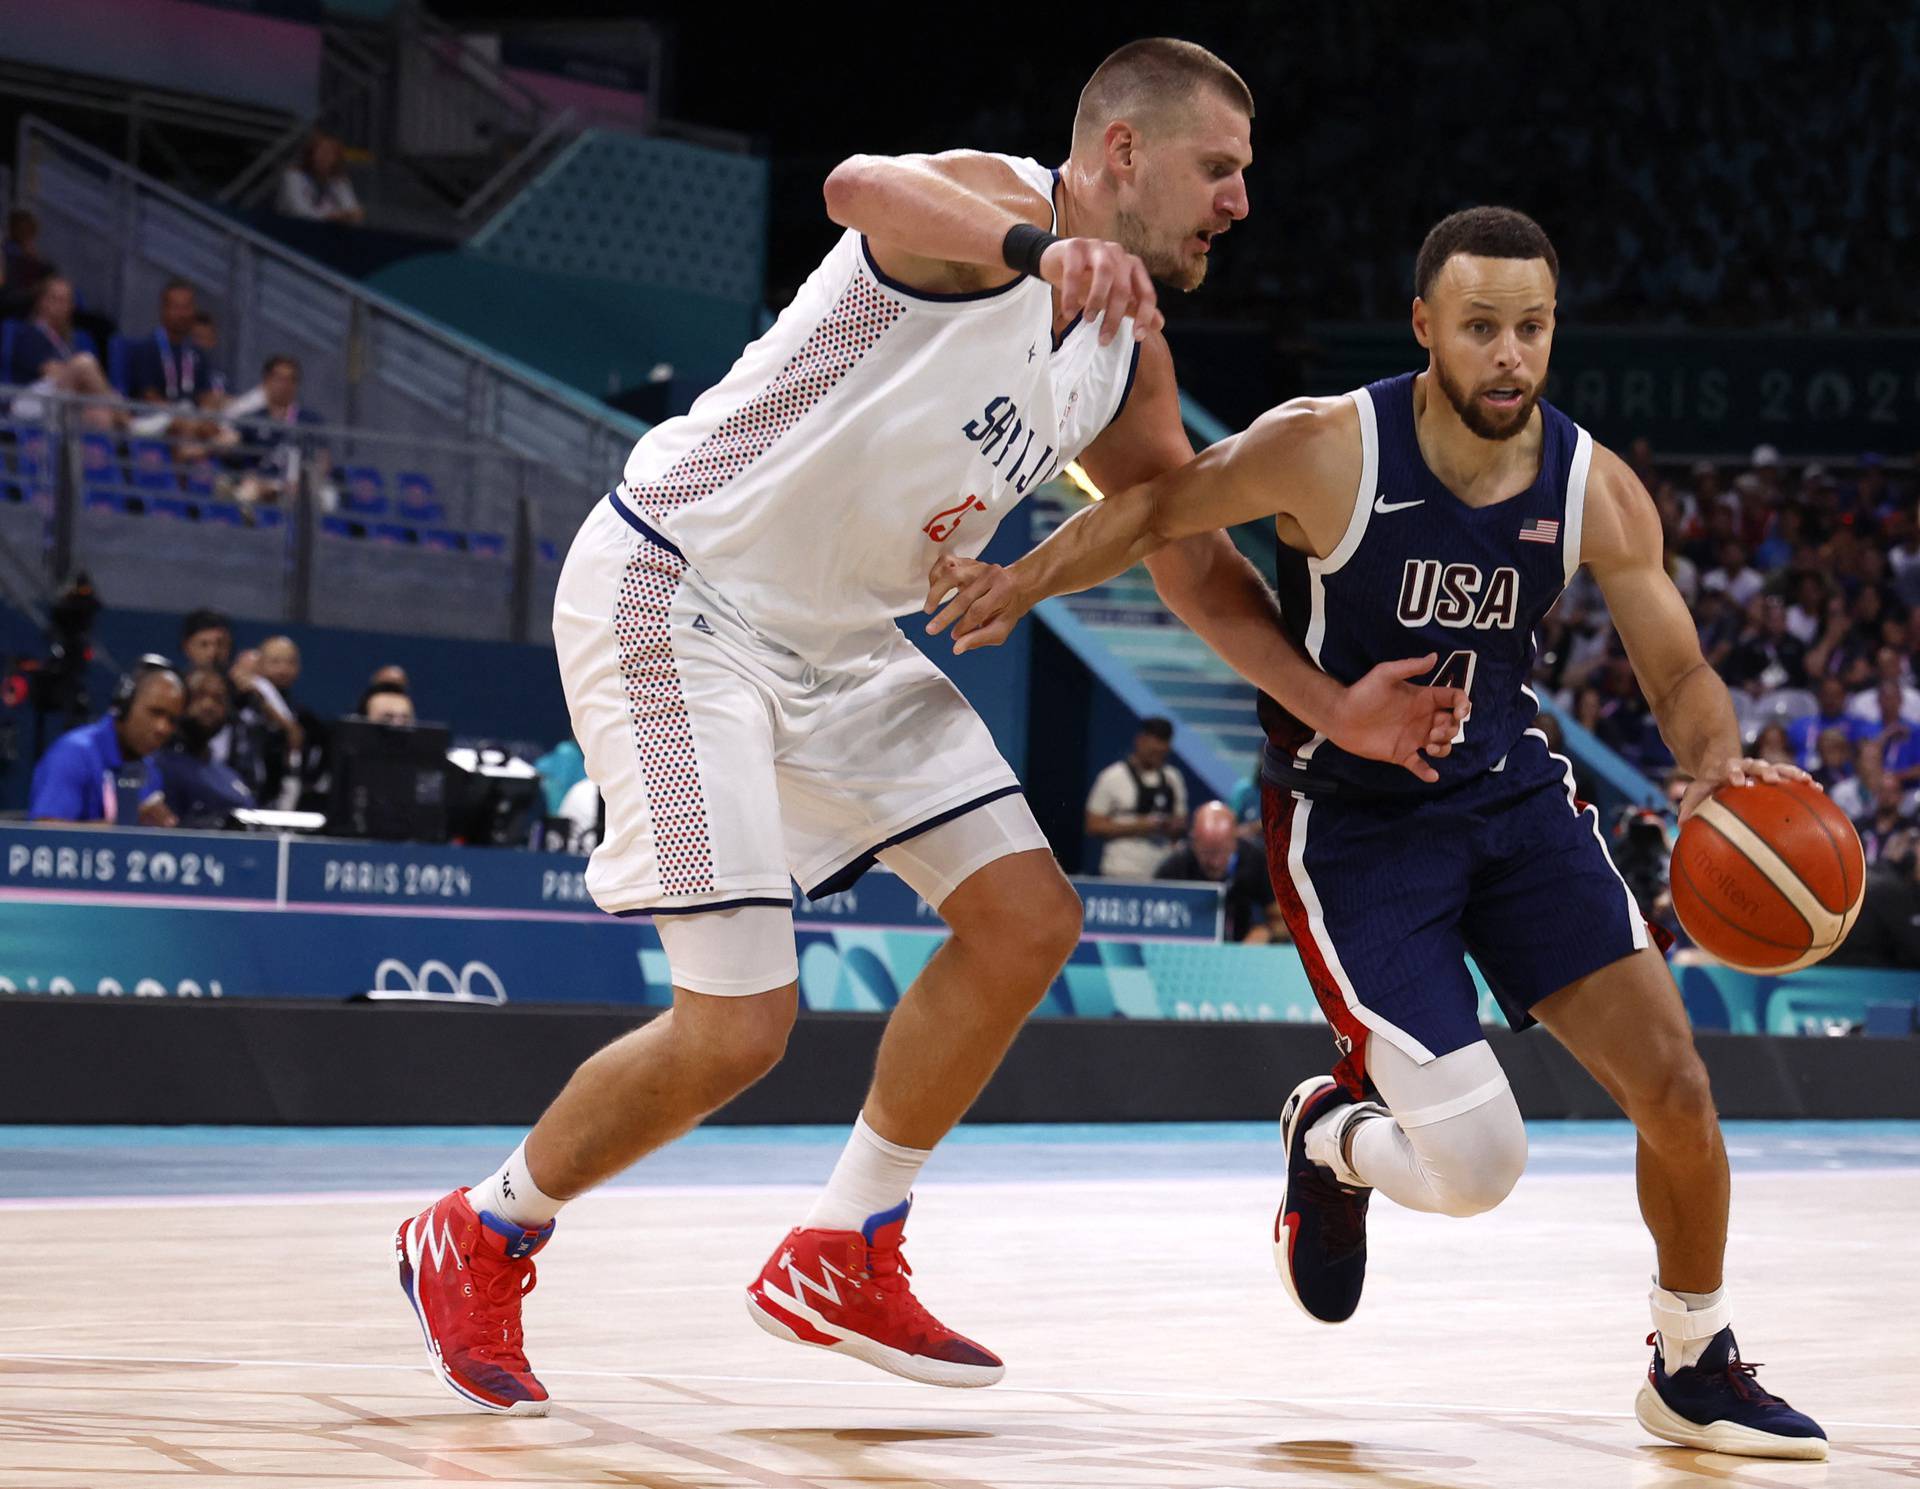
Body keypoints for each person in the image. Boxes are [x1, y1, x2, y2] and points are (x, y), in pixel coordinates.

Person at [394, 37, 1466, 1419]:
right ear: (1123, 153)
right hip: (680, 596)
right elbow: (855, 184)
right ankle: (481, 1228)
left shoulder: (1128, 351)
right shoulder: (982, 209)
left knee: (1028, 919)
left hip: (841, 647)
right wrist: (1037, 247)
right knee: (740, 1028)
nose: (1240, 202)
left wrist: (1334, 709)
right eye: (1221, 168)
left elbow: (1185, 557)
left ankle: (846, 1242)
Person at [928, 206, 1826, 1458]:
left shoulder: (1589, 485)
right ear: (1424, 329)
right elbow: (1161, 513)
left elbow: (1673, 668)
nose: (1510, 355)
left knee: (1676, 1083)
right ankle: (1331, 1134)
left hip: (1510, 803)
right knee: (1476, 1167)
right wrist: (1022, 579)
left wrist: (1716, 768)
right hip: (1354, 832)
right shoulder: (1327, 448)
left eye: (1531, 328)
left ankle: (1693, 1359)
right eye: (1481, 328)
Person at [28, 658, 182, 826]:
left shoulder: (150, 771)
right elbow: (45, 833)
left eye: (172, 720)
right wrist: (126, 824)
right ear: (124, 706)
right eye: (155, 712)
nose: (163, 728)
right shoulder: (73, 753)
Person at [1154, 798, 1282, 942]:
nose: (1215, 862)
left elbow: (1285, 921)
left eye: (1222, 852)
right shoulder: (1173, 870)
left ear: (1235, 841)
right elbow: (1154, 925)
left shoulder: (1257, 861)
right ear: (1194, 841)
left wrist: (1266, 931)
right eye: (1207, 852)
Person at [1084, 717, 1187, 875]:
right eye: (1154, 750)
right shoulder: (1112, 776)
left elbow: (1181, 821)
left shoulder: (1173, 778)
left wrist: (1170, 826)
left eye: (1162, 752)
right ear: (1140, 741)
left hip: (1163, 871)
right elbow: (1093, 825)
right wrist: (1140, 825)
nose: (1158, 755)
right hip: (1122, 870)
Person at [154, 668, 256, 827]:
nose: (208, 705)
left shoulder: (231, 777)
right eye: (198, 696)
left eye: (218, 699)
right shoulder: (157, 767)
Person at [125, 280, 218, 408]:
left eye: (187, 307)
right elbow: (148, 397)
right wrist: (180, 420)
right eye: (176, 307)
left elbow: (205, 395)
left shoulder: (197, 353)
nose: (182, 314)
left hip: (193, 420)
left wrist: (208, 415)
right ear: (163, 310)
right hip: (155, 421)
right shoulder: (146, 349)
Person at [7, 275, 98, 385]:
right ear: (41, 302)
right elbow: (52, 373)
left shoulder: (75, 338)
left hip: (68, 394)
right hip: (36, 394)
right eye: (55, 299)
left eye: (66, 301)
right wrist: (80, 373)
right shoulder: (27, 334)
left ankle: (111, 400)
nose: (61, 306)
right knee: (84, 364)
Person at [278, 132, 365, 225]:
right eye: (321, 152)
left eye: (330, 153)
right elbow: (299, 212)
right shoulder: (293, 176)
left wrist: (351, 214)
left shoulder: (339, 181)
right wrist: (332, 216)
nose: (324, 157)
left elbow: (351, 209)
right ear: (311, 155)